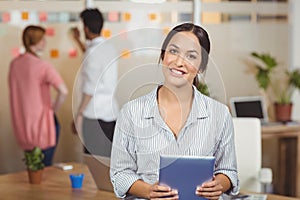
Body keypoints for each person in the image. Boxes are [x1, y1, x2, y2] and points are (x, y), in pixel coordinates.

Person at [110, 23, 239, 199]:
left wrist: (219, 185)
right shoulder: (132, 112)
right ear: (163, 55)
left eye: (191, 56)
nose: (179, 62)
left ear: (201, 67)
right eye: (173, 51)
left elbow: (228, 171)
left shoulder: (219, 114)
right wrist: (147, 191)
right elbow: (120, 174)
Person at [8, 25, 68, 166]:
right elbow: (63, 91)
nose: (45, 42)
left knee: (32, 169)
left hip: (24, 126)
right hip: (43, 126)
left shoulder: (14, 64)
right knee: (44, 169)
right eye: (43, 39)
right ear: (37, 42)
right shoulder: (42, 66)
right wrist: (53, 109)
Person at [71, 8, 119, 157]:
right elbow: (92, 56)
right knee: (106, 159)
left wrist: (79, 114)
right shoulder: (109, 47)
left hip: (93, 115)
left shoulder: (92, 53)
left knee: (94, 160)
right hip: (111, 113)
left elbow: (90, 88)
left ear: (85, 28)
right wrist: (78, 40)